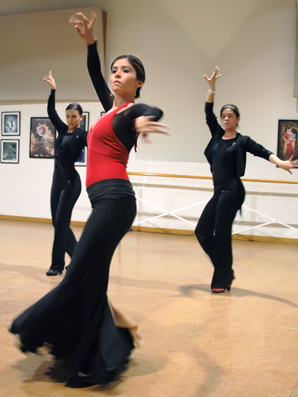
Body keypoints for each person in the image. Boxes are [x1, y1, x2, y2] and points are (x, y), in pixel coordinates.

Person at [9, 11, 169, 388]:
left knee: (78, 270)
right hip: (102, 201)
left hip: (115, 200)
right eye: (115, 69)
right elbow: (96, 75)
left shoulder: (133, 111)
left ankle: (49, 332)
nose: (117, 74)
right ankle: (119, 328)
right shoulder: (109, 109)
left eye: (126, 70)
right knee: (89, 274)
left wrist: (147, 120)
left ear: (139, 81)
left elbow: (151, 110)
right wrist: (91, 44)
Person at [195, 66, 297, 294]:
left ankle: (221, 277)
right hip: (219, 190)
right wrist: (211, 89)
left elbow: (261, 151)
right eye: (223, 116)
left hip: (233, 189)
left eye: (230, 116)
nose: (225, 119)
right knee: (202, 232)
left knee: (221, 233)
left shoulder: (242, 141)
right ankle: (225, 268)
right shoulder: (216, 136)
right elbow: (207, 113)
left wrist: (280, 162)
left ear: (237, 119)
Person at [43, 72, 88, 276]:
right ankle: (79, 258)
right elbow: (52, 113)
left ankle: (57, 265)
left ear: (80, 117)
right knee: (57, 222)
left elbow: (97, 147)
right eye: (68, 116)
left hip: (71, 183)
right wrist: (53, 90)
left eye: (74, 116)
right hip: (57, 182)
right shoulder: (64, 131)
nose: (70, 119)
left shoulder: (82, 135)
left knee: (61, 224)